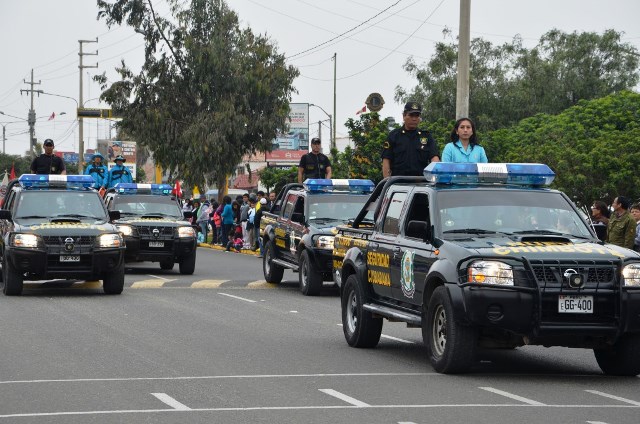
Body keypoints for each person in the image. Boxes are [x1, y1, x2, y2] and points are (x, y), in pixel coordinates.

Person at [382, 102, 440, 177]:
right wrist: (387, 182)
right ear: (404, 116)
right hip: (398, 183)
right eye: (411, 115)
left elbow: (434, 159)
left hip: (421, 182)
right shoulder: (394, 136)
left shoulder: (426, 136)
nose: (414, 119)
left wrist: (434, 178)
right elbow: (386, 160)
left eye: (417, 116)